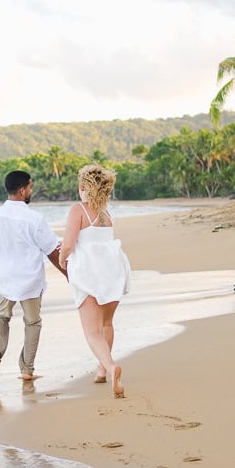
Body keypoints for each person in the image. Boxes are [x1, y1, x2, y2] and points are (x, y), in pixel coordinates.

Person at [0, 169, 65, 382]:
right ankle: (26, 369)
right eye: (30, 187)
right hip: (30, 281)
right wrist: (68, 273)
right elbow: (52, 251)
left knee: (0, 318)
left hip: (3, 279)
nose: (31, 190)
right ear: (23, 190)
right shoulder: (34, 219)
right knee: (32, 323)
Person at [60, 164, 130, 398]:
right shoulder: (107, 213)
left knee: (91, 331)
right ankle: (102, 370)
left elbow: (69, 243)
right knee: (107, 323)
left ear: (83, 187)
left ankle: (110, 367)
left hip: (89, 270)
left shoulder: (79, 210)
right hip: (112, 268)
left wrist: (61, 259)